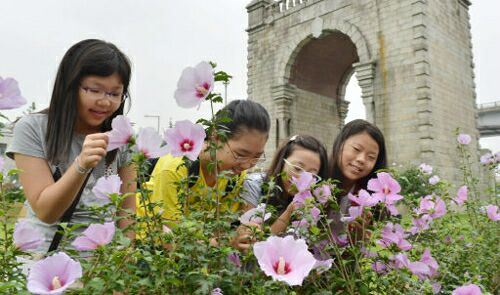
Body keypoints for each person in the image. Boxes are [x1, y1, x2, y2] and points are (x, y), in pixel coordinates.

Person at [7, 39, 136, 253]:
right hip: (43, 265)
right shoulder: (33, 128)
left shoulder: (123, 139)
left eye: (114, 94)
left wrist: (125, 271)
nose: (105, 102)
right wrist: (81, 165)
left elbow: (127, 218)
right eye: (95, 90)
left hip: (100, 274)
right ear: (70, 85)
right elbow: (46, 211)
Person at [140, 99, 270, 222]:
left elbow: (220, 227)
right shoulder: (176, 167)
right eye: (241, 154)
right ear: (216, 136)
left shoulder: (235, 177)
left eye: (256, 157)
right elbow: (168, 235)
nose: (247, 165)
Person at [239, 134, 329, 236]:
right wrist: (289, 213)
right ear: (282, 162)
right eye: (297, 168)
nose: (302, 179)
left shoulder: (313, 200)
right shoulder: (254, 184)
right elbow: (252, 239)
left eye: (312, 174)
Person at [327, 119, 387, 236]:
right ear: (340, 144)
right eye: (356, 149)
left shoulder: (372, 201)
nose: (361, 159)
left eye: (371, 157)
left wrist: (360, 236)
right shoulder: (317, 183)